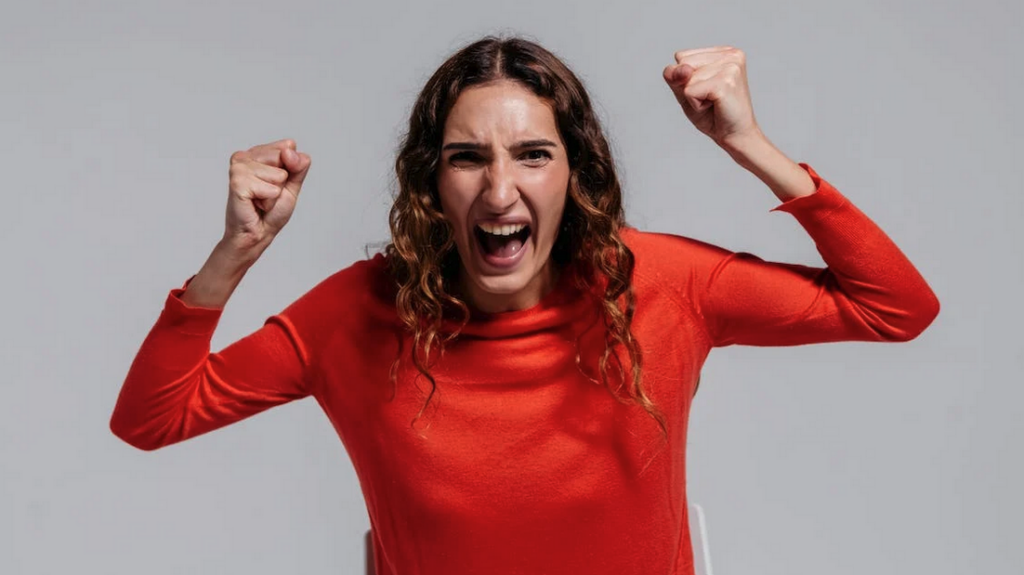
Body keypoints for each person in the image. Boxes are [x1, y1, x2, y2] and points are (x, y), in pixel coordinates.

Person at [109, 36, 939, 574]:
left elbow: (897, 306)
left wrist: (747, 144)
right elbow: (152, 417)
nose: (500, 189)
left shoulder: (661, 282)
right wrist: (235, 255)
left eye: (534, 154)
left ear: (573, 172)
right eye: (468, 157)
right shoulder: (360, 311)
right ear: (432, 181)